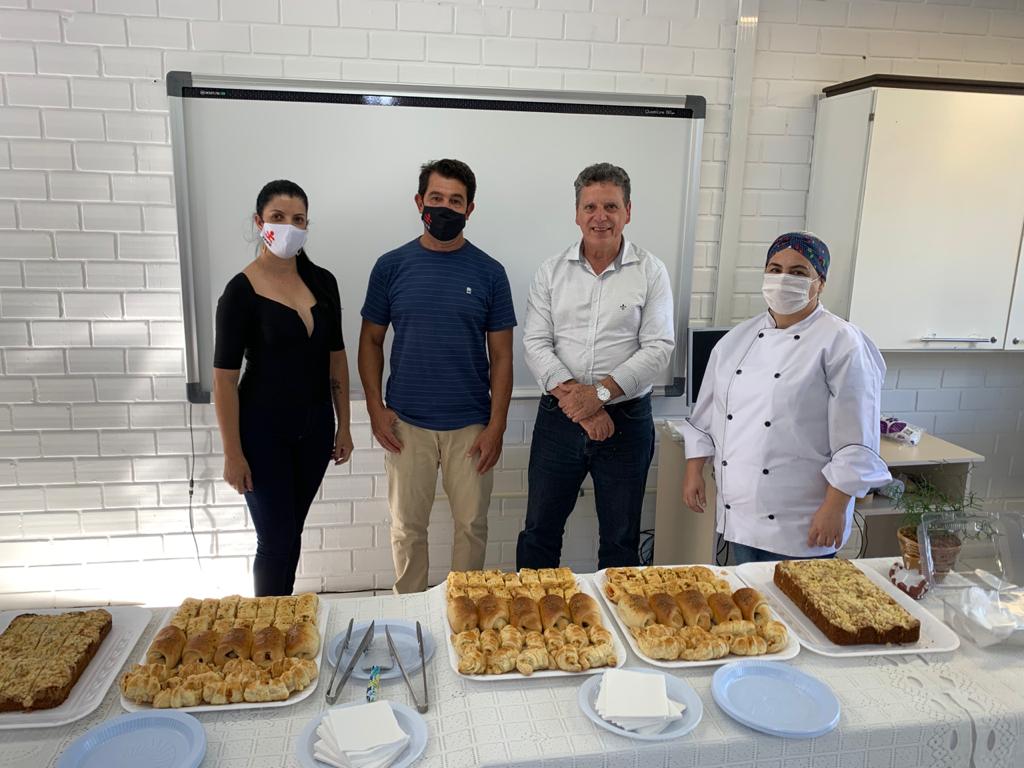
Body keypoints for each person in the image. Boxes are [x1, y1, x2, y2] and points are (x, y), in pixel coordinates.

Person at [681, 231, 891, 564]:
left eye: (798, 272)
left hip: (805, 521)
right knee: (754, 610)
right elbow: (707, 415)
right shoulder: (737, 340)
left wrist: (835, 508)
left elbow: (857, 439)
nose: (783, 280)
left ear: (819, 282)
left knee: (797, 611)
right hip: (741, 516)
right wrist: (694, 472)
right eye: (775, 269)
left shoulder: (842, 343)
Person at [359, 159, 516, 594]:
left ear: (470, 209)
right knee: (407, 529)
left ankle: (464, 613)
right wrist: (375, 408)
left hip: (471, 425)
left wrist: (497, 425)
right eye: (436, 199)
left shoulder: (489, 272)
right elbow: (370, 341)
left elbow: (502, 357)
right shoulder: (390, 266)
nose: (445, 208)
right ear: (419, 202)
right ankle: (408, 611)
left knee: (471, 527)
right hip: (406, 425)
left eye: (455, 201)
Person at [517, 163, 675, 570]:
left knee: (621, 541)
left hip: (627, 421)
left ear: (628, 211)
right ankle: (533, 627)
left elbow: (658, 348)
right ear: (576, 213)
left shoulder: (651, 272)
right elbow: (535, 343)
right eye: (590, 206)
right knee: (539, 533)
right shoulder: (551, 271)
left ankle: (615, 631)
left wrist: (599, 396)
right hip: (558, 419)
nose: (600, 217)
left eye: (610, 206)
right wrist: (581, 404)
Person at [213, 180, 353, 596]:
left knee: (290, 535)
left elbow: (337, 357)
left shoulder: (323, 282)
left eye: (298, 219)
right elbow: (224, 378)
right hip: (261, 435)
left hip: (314, 432)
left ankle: (284, 619)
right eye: (277, 218)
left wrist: (344, 425)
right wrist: (232, 453)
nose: (288, 227)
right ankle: (264, 632)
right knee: (274, 542)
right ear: (259, 222)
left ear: (308, 224)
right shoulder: (240, 292)